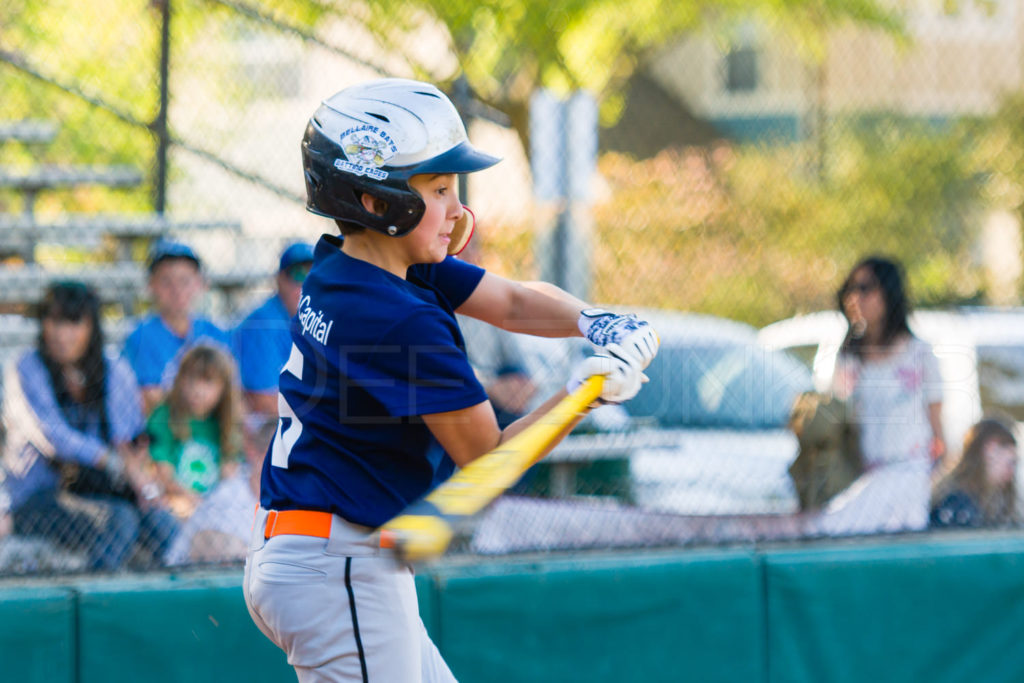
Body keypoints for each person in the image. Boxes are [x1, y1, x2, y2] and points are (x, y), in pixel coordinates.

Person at [242, 78, 659, 682]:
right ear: (377, 201)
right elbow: (486, 461)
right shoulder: (399, 318)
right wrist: (583, 396)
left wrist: (594, 322)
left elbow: (512, 303)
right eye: (438, 190)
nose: (457, 210)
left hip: (326, 552)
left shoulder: (355, 265)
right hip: (338, 565)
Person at [1, 281, 178, 570]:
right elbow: (51, 436)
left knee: (161, 523)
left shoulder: (112, 368)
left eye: (73, 323)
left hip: (101, 490)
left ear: (91, 327)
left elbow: (128, 437)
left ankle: (175, 603)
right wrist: (110, 460)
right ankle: (99, 609)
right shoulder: (25, 367)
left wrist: (141, 482)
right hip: (38, 497)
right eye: (54, 322)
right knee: (119, 521)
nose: (62, 334)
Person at [817, 255, 945, 535]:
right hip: (858, 479)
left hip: (910, 476)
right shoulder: (848, 357)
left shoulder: (919, 354)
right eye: (851, 289)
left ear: (889, 293)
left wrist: (937, 473)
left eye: (866, 288)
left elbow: (938, 431)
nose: (856, 297)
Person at [122, 238, 230, 415]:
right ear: (151, 286)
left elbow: (230, 393)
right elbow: (149, 400)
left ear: (200, 284)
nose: (176, 290)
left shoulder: (215, 334)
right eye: (166, 282)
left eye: (185, 281)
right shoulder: (141, 337)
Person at [145, 344, 244, 520]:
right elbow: (163, 476)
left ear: (224, 389)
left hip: (216, 507)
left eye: (208, 382)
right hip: (174, 503)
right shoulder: (164, 415)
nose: (197, 391)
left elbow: (229, 476)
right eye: (191, 380)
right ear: (179, 380)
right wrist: (199, 505)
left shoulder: (227, 424)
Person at [164, 416, 276, 566]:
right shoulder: (228, 495)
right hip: (185, 582)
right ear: (255, 454)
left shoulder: (295, 503)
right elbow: (209, 546)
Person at [233, 242, 315, 416]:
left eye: (314, 276)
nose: (307, 285)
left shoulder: (314, 320)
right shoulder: (264, 323)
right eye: (299, 275)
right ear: (280, 280)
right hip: (258, 423)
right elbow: (263, 401)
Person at [930, 417, 1019, 528]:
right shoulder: (955, 504)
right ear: (991, 450)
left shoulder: (993, 499)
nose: (1011, 473)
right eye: (1010, 463)